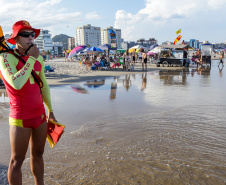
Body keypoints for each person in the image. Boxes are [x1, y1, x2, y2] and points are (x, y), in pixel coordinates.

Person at [0, 20, 57, 185]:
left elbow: (44, 85)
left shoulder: (38, 58)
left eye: (33, 34)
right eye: (25, 34)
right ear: (15, 39)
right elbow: (16, 83)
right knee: (16, 161)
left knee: (38, 154)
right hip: (20, 117)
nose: (31, 38)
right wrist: (31, 59)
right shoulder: (6, 57)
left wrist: (51, 111)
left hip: (39, 115)